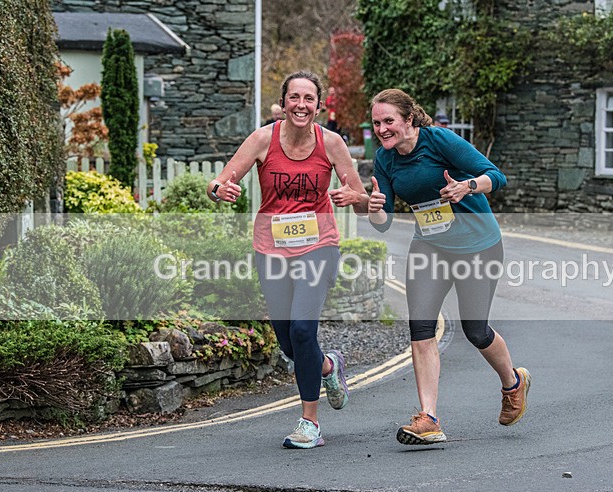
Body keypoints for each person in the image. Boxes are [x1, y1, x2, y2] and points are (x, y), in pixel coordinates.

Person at [206, 71, 369, 449]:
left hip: (318, 246)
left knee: (302, 331)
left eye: (308, 98)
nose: (301, 105)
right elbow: (216, 183)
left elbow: (361, 200)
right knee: (288, 343)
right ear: (283, 104)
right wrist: (220, 191)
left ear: (318, 105)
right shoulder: (263, 138)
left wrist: (354, 198)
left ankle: (309, 422)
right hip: (272, 249)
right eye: (294, 97)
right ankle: (328, 365)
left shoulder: (332, 143)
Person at [366, 88, 531, 446]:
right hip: (430, 246)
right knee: (421, 328)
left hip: (477, 244)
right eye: (377, 123)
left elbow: (495, 176)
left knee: (476, 331)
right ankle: (429, 418)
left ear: (409, 118)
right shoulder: (385, 158)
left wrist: (467, 186)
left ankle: (513, 383)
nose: (382, 129)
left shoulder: (438, 140)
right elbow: (383, 221)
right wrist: (373, 206)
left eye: (389, 121)